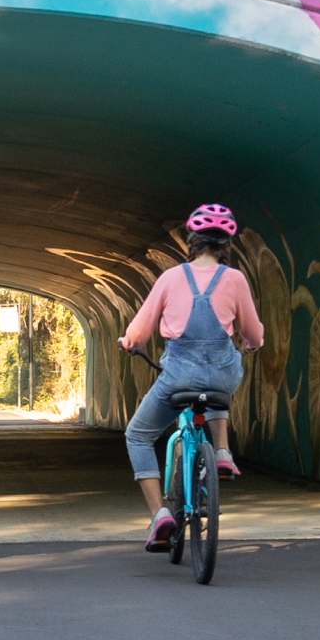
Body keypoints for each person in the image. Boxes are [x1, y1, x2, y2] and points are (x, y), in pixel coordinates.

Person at [118, 202, 263, 551]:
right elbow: (254, 334)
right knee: (216, 387)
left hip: (178, 378)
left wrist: (129, 343)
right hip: (223, 377)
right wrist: (249, 343)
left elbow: (139, 332)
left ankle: (159, 516)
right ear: (225, 245)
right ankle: (223, 451)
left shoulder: (170, 278)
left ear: (192, 240)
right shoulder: (236, 279)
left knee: (137, 435)